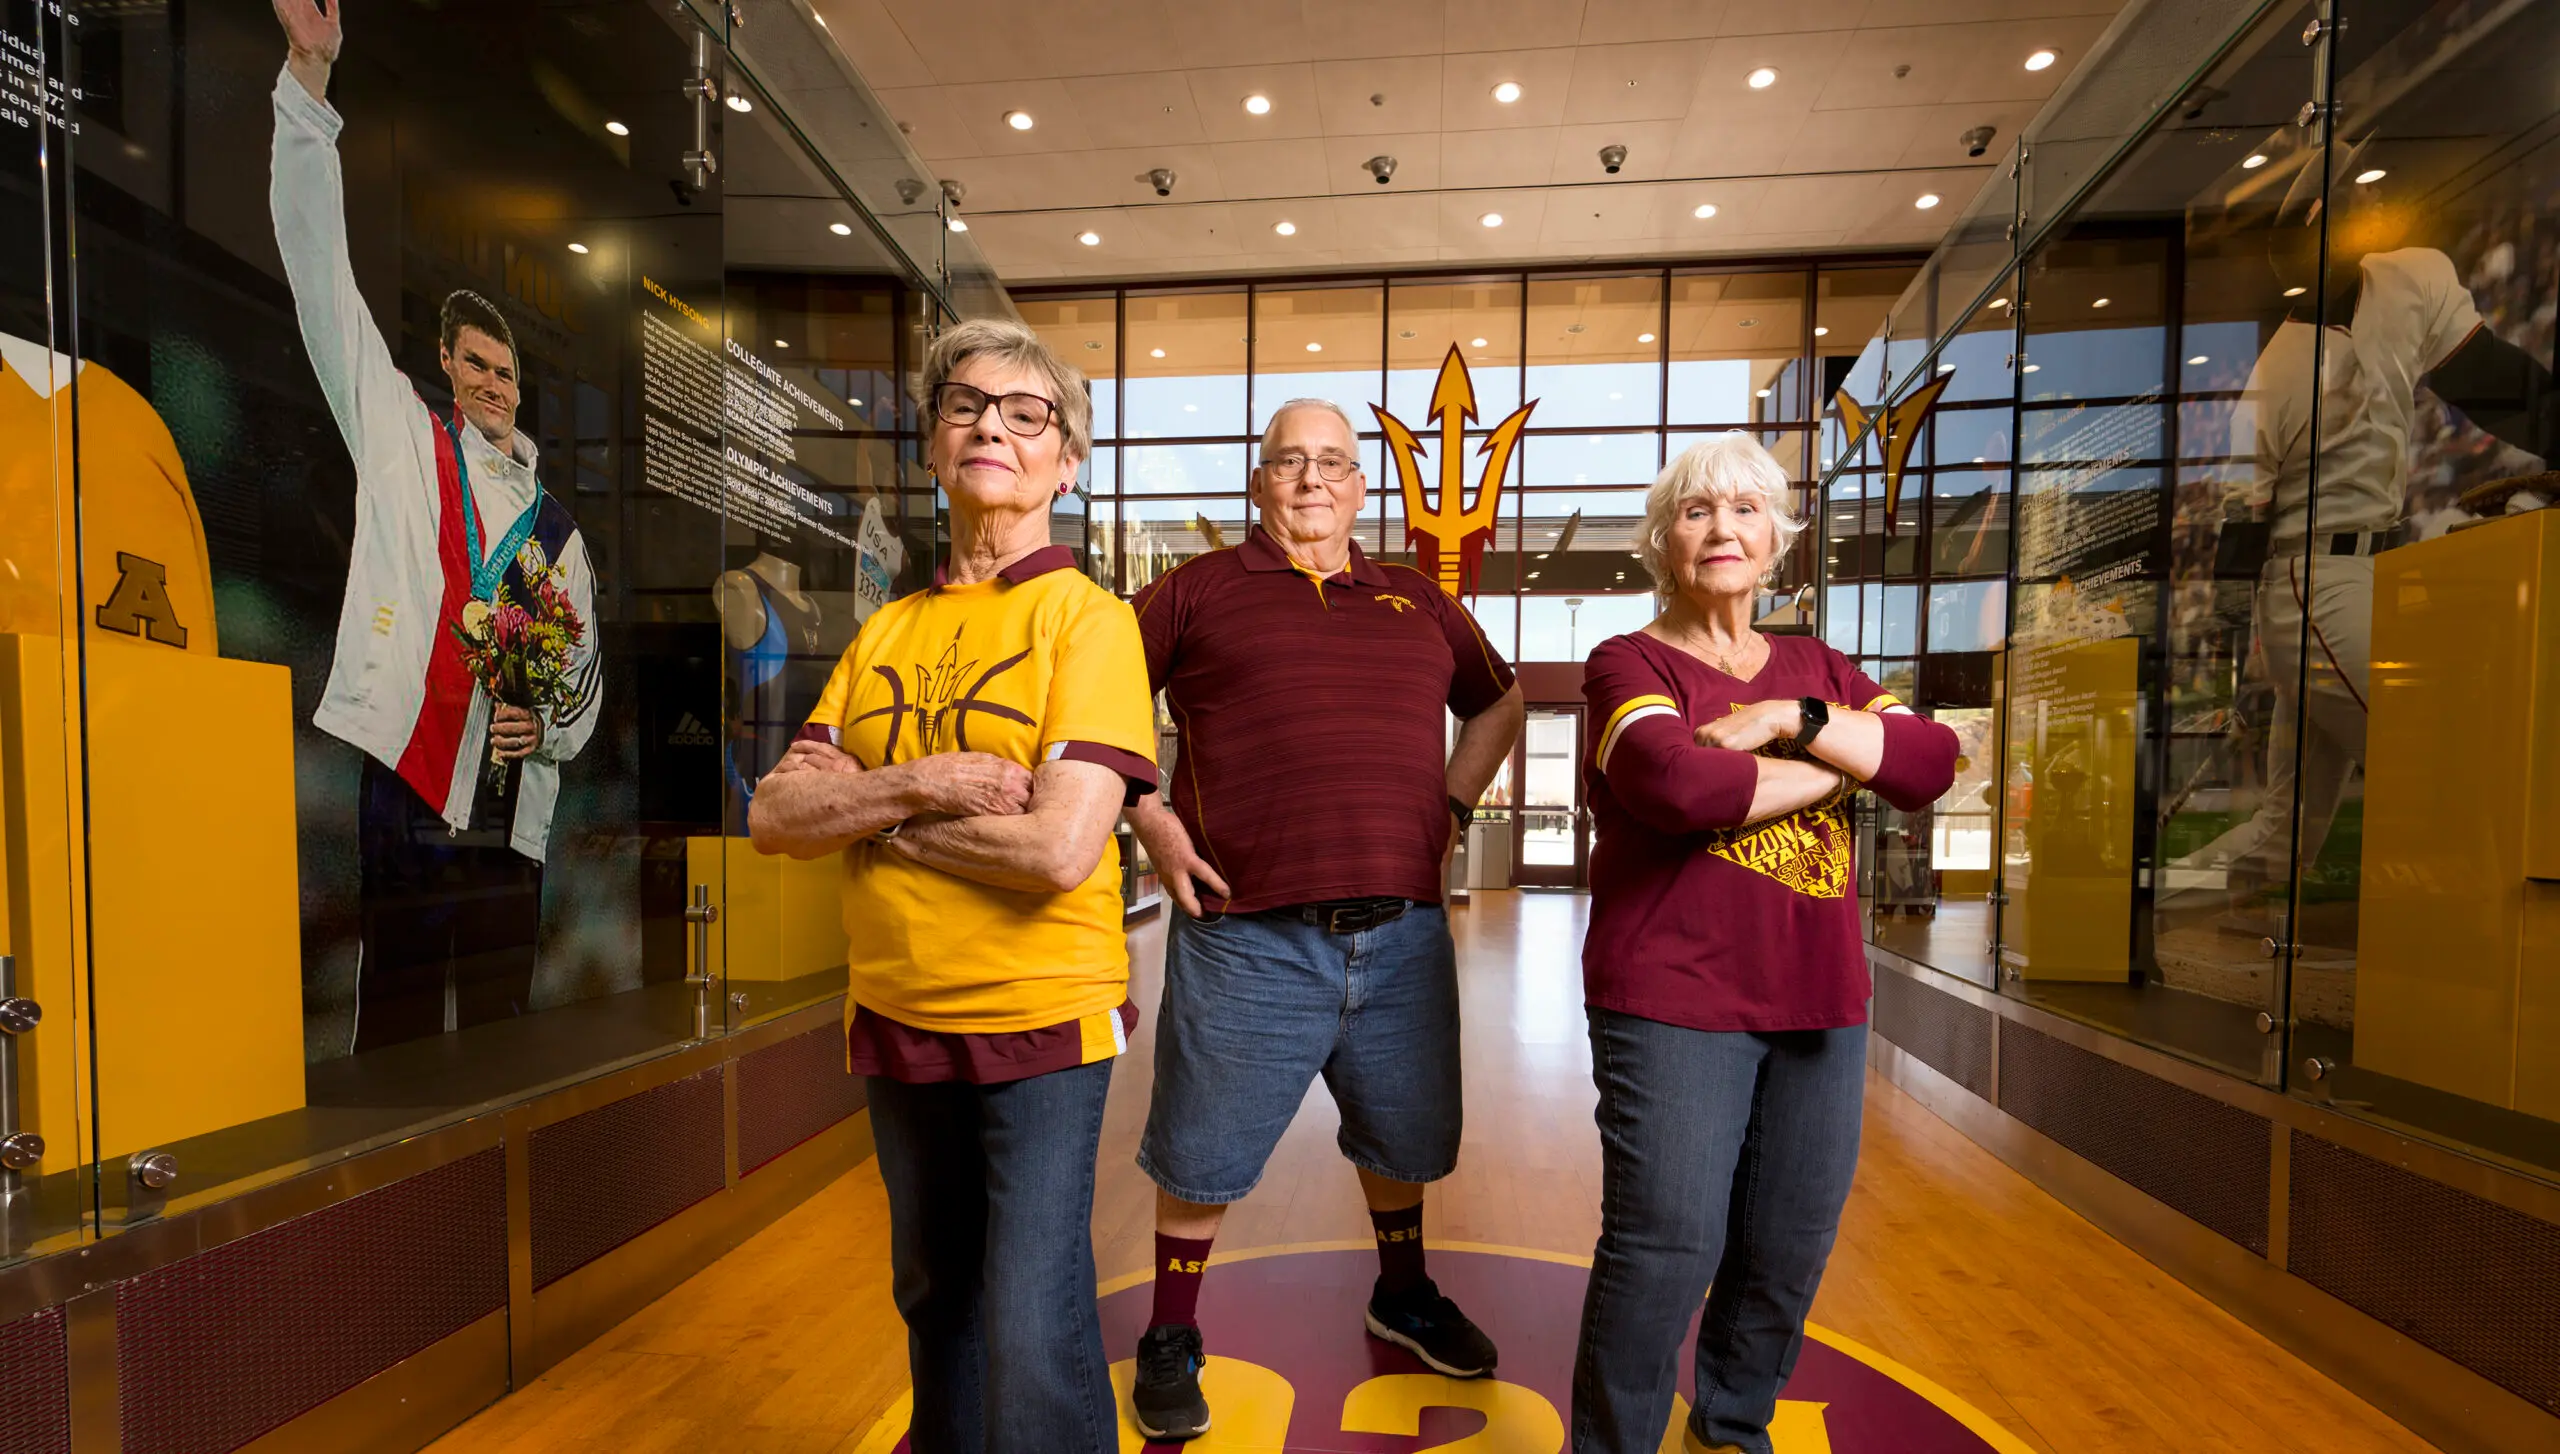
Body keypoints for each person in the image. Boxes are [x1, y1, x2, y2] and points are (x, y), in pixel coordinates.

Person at [749, 319, 1156, 1454]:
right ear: (933, 445)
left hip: (1039, 1021)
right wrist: (927, 783)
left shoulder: (1089, 621)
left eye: (1027, 414)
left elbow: (1055, 852)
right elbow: (774, 814)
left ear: (1063, 463)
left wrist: (873, 811)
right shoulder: (884, 629)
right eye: (967, 405)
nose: (991, 425)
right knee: (933, 1292)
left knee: (1032, 1324)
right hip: (895, 1015)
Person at [1121, 397, 1525, 1441]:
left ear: (1360, 487)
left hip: (1399, 933)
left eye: (1333, 463)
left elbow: (1499, 701)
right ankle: (1172, 1331)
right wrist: (1153, 820)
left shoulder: (1417, 600)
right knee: (1200, 1150)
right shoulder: (1194, 590)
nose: (1311, 479)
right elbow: (1094, 704)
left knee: (1401, 1132)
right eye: (1289, 461)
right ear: (1259, 482)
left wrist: (1455, 801)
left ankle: (1402, 1290)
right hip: (1246, 930)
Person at [1573, 433, 1957, 1454]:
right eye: (1697, 511)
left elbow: (1929, 762)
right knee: (1665, 1246)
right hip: (1671, 997)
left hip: (1820, 998)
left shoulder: (1815, 668)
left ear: (1776, 536)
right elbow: (1677, 786)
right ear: (1663, 539)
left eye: (1745, 508)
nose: (1722, 528)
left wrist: (1793, 717)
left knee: (1784, 1249)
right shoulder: (1629, 661)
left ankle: (1731, 1427)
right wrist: (1844, 764)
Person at [270, 0, 600, 1050]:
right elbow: (321, 280)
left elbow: (586, 683)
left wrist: (540, 727)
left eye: (507, 371)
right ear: (445, 368)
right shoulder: (403, 439)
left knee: (503, 1033)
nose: (493, 384)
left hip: (516, 803)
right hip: (408, 776)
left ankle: (497, 1219)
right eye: (474, 364)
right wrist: (309, 92)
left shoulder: (560, 534)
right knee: (398, 1028)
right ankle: (393, 1221)